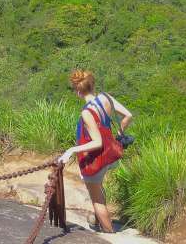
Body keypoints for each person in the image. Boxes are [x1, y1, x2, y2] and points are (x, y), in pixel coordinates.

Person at [56, 69, 133, 234]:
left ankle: (108, 233)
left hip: (96, 159)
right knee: (98, 187)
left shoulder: (86, 112)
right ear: (92, 85)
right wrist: (117, 136)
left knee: (97, 199)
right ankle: (97, 221)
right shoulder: (105, 97)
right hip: (111, 154)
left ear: (78, 92)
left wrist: (71, 150)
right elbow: (128, 115)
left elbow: (96, 142)